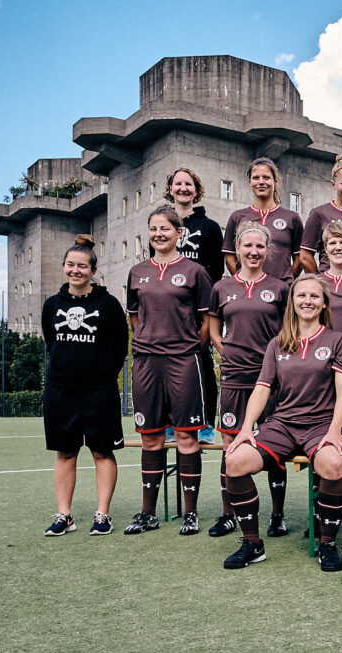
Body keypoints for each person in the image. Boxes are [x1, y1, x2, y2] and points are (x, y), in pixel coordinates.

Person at [222, 273, 342, 572]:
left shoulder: (338, 341)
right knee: (235, 460)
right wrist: (246, 428)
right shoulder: (278, 343)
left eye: (314, 296)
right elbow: (262, 388)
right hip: (282, 425)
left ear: (324, 303)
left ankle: (327, 543)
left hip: (321, 424)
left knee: (333, 464)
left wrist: (335, 431)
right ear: (292, 302)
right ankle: (252, 544)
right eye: (301, 295)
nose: (308, 301)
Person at [124, 205, 213, 537]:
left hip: (183, 361)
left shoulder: (195, 272)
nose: (159, 234)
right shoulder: (137, 272)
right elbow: (134, 317)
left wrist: (188, 347)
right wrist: (148, 341)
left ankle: (190, 514)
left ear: (179, 233)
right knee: (151, 438)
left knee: (187, 436)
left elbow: (207, 321)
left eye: (165, 228)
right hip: (147, 362)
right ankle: (148, 514)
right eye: (153, 229)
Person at [40, 235, 129, 537]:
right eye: (70, 265)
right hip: (60, 391)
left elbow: (120, 346)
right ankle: (64, 515)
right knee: (65, 453)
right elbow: (51, 342)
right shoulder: (52, 305)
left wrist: (101, 377)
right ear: (64, 267)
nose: (75, 270)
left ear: (93, 270)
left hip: (99, 392)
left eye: (81, 266)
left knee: (102, 452)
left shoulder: (108, 304)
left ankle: (103, 514)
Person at [207, 222, 292, 539]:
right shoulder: (221, 288)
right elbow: (214, 330)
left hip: (270, 381)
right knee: (229, 445)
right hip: (234, 378)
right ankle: (228, 514)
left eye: (260, 246)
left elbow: (288, 332)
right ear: (237, 250)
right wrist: (228, 353)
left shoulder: (280, 288)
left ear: (267, 251)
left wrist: (275, 363)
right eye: (248, 246)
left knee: (273, 444)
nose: (254, 252)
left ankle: (278, 515)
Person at [166, 167, 224, 445]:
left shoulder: (209, 227)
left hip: (198, 308)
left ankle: (206, 425)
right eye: (178, 184)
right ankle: (170, 423)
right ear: (170, 189)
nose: (183, 188)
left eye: (188, 184)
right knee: (167, 364)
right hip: (168, 307)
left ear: (196, 190)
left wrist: (203, 302)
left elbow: (217, 270)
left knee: (201, 362)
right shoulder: (162, 223)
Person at [222, 158, 303, 280]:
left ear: (275, 181)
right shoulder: (237, 217)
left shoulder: (292, 218)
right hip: (247, 287)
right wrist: (244, 280)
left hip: (282, 288)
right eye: (256, 178)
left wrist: (285, 283)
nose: (261, 182)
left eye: (266, 177)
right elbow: (229, 256)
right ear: (250, 182)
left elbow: (300, 259)